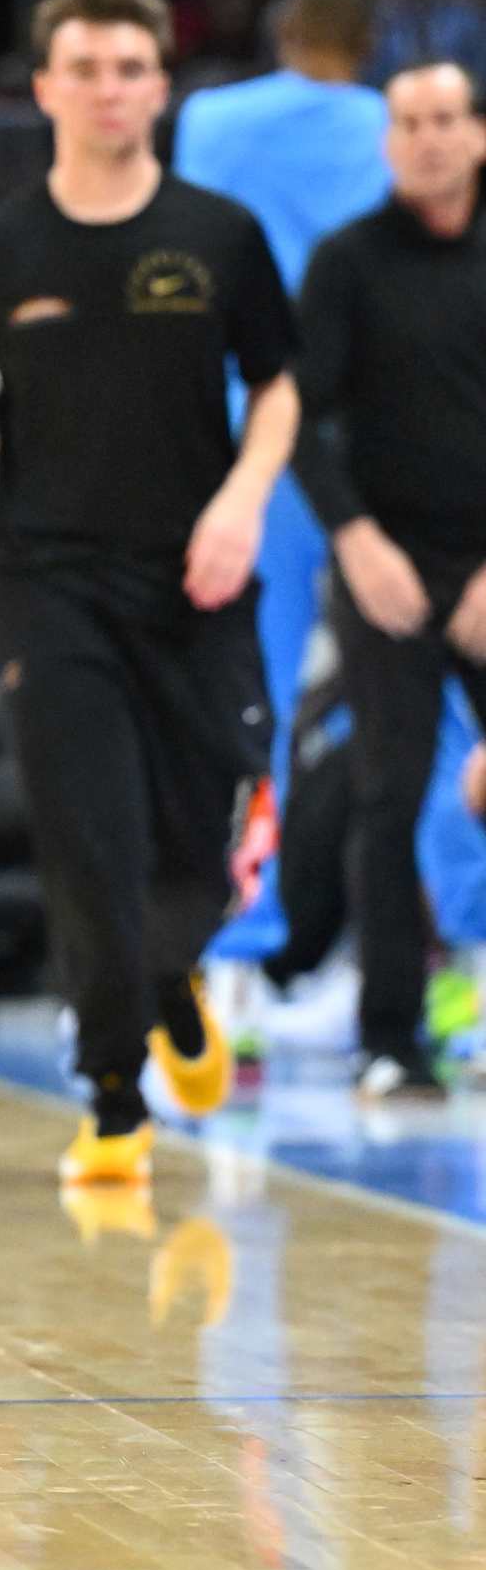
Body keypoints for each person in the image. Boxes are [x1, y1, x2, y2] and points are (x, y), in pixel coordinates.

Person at [0, 0, 298, 1186]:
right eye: (88, 68)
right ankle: (114, 1094)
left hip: (200, 585)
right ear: (48, 86)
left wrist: (242, 500)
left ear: (160, 88)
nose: (110, 89)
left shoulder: (220, 236)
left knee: (203, 852)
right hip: (49, 586)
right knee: (85, 838)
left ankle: (172, 977)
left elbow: (279, 386)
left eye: (132, 68)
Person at [290, 62, 486, 1096]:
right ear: (387, 141)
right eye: (410, 122)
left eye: (448, 120)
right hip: (388, 569)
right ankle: (390, 1041)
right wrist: (358, 543)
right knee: (390, 792)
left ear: (478, 134)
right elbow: (300, 422)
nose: (429, 139)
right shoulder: (348, 262)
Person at [173, 0, 390, 743]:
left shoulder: (210, 119)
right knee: (416, 676)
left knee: (254, 677)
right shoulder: (399, 125)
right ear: (370, 44)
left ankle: (256, 866)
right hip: (370, 424)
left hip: (243, 416)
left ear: (282, 31)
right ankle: (454, 868)